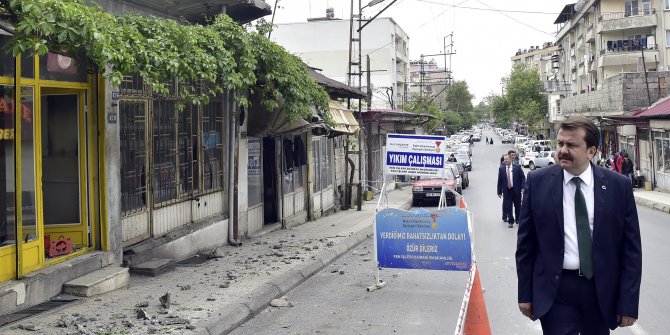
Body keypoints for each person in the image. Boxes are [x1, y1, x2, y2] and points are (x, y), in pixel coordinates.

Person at [516, 116, 641, 334]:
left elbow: (631, 250)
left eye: (572, 145)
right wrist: (525, 294)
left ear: (591, 151)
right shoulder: (537, 182)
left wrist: (628, 302)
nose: (563, 150)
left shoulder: (618, 186)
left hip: (600, 289)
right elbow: (526, 244)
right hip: (557, 290)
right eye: (560, 143)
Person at [497, 154, 525, 228]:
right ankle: (510, 221)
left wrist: (523, 187)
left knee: (518, 206)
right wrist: (499, 192)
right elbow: (499, 181)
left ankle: (518, 218)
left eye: (507, 159)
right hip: (507, 191)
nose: (505, 161)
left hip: (516, 190)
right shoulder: (502, 169)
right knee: (508, 206)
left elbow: (522, 178)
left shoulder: (517, 167)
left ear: (511, 159)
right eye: (504, 159)